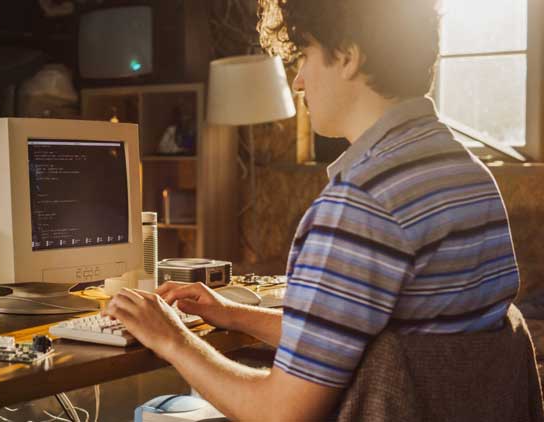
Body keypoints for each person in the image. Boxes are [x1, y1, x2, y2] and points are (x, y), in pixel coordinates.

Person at [103, 0, 521, 420]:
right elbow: (352, 334)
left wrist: (172, 338)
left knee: (155, 412)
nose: (299, 80)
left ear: (349, 57)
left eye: (304, 55)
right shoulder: (467, 174)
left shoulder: (360, 204)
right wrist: (231, 313)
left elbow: (281, 413)